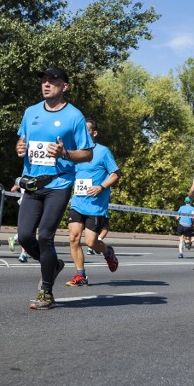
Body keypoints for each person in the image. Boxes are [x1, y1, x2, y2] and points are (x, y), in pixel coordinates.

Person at [15, 67, 94, 310]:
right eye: (44, 81)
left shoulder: (74, 117)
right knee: (25, 237)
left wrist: (65, 153)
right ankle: (54, 265)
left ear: (65, 87)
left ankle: (46, 292)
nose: (46, 84)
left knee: (46, 235)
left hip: (59, 182)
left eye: (53, 81)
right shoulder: (31, 112)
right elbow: (22, 140)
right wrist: (19, 147)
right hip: (32, 182)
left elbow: (88, 153)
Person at [65, 117, 121, 287]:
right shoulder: (75, 152)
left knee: (91, 242)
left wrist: (101, 187)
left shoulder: (103, 152)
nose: (82, 133)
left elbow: (116, 174)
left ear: (94, 133)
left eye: (87, 130)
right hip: (77, 202)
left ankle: (108, 251)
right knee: (74, 238)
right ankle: (80, 275)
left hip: (95, 205)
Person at [8, 185, 29, 262]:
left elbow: (13, 189)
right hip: (31, 205)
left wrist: (21, 196)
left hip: (23, 204)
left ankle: (14, 239)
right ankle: (23, 253)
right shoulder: (35, 177)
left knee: (26, 228)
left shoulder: (21, 179)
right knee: (28, 229)